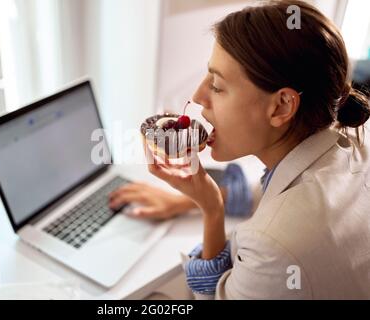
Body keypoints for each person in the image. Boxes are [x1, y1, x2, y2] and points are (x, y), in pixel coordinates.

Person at [111, 0, 370, 299]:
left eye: (218, 86)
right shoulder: (354, 139)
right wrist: (200, 199)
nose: (198, 96)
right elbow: (281, 188)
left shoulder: (273, 247)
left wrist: (211, 212)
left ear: (282, 106)